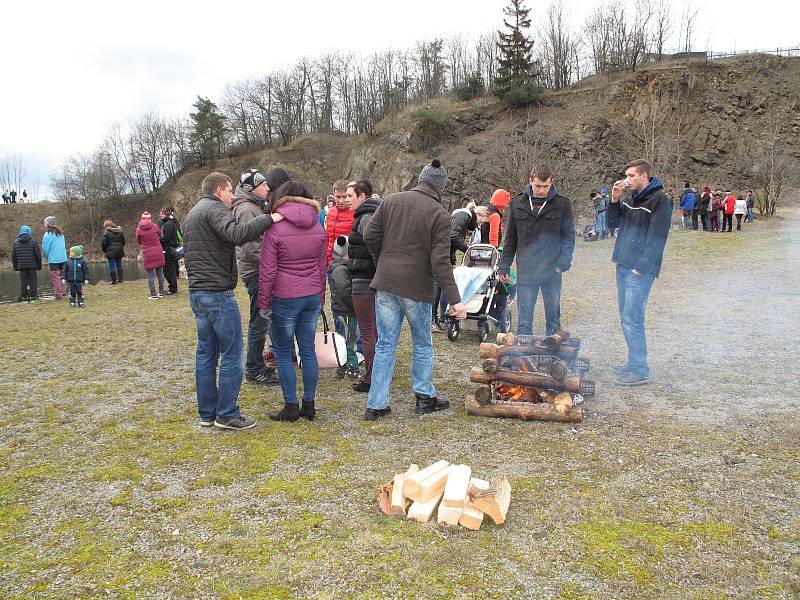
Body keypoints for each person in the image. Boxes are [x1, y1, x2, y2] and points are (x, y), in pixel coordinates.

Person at [363, 159, 467, 421]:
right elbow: (440, 262)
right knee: (422, 344)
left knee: (385, 344)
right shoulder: (440, 214)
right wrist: (455, 300)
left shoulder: (391, 200)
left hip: (386, 283)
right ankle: (424, 396)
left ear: (421, 179)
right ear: (440, 186)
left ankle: (376, 404)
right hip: (417, 288)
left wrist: (383, 261)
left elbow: (369, 236)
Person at [183, 172, 282, 430]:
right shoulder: (215, 209)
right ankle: (226, 413)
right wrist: (268, 219)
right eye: (230, 191)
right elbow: (237, 234)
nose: (232, 196)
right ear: (219, 190)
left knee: (206, 353)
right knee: (231, 352)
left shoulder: (193, 213)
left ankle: (207, 413)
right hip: (217, 294)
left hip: (198, 293)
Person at [257, 181, 326, 423]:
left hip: (285, 298)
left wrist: (263, 303)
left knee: (284, 352)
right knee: (307, 350)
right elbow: (321, 266)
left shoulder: (274, 227)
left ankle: (290, 406)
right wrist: (321, 295)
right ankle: (309, 403)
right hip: (311, 295)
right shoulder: (317, 225)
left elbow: (267, 270)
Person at [607, 159, 672, 386]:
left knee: (633, 318)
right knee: (626, 316)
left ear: (644, 176)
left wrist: (640, 268)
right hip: (623, 264)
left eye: (631, 176)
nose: (627, 180)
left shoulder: (660, 200)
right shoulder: (629, 198)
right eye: (627, 176)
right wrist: (614, 199)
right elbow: (611, 224)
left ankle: (639, 369)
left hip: (639, 271)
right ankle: (633, 362)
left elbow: (658, 238)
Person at [498, 164, 575, 337]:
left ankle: (553, 357)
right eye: (538, 186)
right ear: (530, 181)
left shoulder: (563, 205)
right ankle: (524, 357)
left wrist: (562, 263)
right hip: (526, 270)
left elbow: (569, 237)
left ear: (551, 183)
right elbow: (510, 239)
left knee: (553, 319)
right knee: (524, 321)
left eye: (545, 186)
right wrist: (504, 266)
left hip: (552, 271)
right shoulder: (517, 204)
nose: (541, 190)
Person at [231, 167, 289, 386]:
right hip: (256, 272)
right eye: (263, 185)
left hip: (258, 270)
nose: (268, 187)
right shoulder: (247, 210)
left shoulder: (253, 206)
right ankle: (254, 370)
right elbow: (249, 250)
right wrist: (274, 259)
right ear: (252, 188)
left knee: (262, 318)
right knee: (259, 319)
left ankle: (257, 367)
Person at [347, 180, 382, 394]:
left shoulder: (366, 217)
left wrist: (379, 272)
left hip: (365, 282)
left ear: (362, 196)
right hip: (371, 281)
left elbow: (375, 244)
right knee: (375, 332)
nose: (347, 200)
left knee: (368, 333)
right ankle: (376, 373)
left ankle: (370, 378)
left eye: (350, 195)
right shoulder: (374, 214)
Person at [326, 178, 360, 379]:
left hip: (348, 269)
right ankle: (342, 358)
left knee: (350, 315)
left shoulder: (355, 214)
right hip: (332, 268)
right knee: (337, 313)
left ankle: (353, 359)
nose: (341, 201)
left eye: (344, 196)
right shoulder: (329, 214)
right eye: (337, 197)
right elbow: (327, 240)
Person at [135, 211, 166, 299]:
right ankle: (161, 292)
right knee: (160, 273)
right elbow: (160, 234)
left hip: (147, 253)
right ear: (150, 219)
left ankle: (153, 294)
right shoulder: (155, 226)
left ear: (142, 219)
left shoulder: (139, 229)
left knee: (150, 275)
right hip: (158, 251)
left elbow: (139, 241)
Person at [11, 225, 42, 302]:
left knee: (23, 282)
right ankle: (33, 297)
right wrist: (39, 266)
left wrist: (15, 267)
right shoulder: (33, 242)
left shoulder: (15, 243)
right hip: (32, 266)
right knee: (33, 282)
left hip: (21, 266)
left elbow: (13, 256)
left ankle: (24, 296)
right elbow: (38, 255)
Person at [41, 216, 68, 299]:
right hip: (63, 258)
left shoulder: (48, 234)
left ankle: (58, 295)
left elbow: (45, 248)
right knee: (62, 275)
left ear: (48, 224)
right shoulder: (60, 233)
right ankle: (63, 292)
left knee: (56, 277)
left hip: (54, 259)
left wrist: (47, 256)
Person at [158, 207, 182, 295]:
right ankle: (172, 287)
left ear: (167, 214)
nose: (161, 215)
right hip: (168, 249)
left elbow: (166, 238)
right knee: (168, 270)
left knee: (169, 270)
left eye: (163, 213)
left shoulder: (169, 224)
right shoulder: (167, 223)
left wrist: (157, 239)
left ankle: (173, 289)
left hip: (169, 249)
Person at [100, 219, 126, 284]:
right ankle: (120, 280)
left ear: (106, 226)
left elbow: (103, 244)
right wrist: (120, 247)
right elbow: (123, 242)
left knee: (112, 266)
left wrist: (105, 250)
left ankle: (114, 281)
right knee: (119, 265)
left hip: (110, 252)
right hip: (119, 250)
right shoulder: (119, 231)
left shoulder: (106, 232)